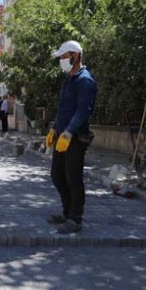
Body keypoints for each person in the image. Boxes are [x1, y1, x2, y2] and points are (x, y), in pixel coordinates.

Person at [45, 41, 97, 234]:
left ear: (76, 56)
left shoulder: (85, 80)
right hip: (62, 135)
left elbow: (84, 110)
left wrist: (69, 131)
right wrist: (54, 128)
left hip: (74, 137)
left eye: (64, 56)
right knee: (57, 175)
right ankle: (67, 212)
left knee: (73, 178)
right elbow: (64, 108)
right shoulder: (69, 78)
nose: (61, 60)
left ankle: (76, 218)